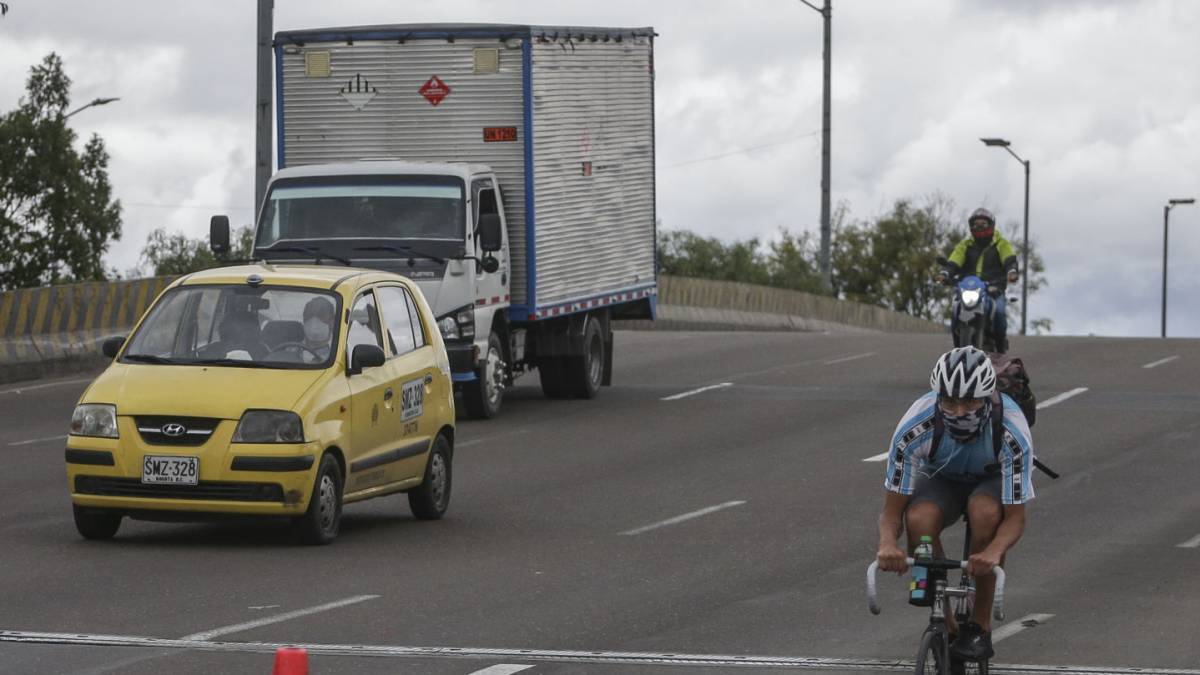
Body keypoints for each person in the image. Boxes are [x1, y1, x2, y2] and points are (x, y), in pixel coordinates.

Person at [875, 346, 1034, 661]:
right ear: (937, 398)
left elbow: (1015, 518)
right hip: (942, 477)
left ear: (987, 396)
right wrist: (887, 544)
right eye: (949, 401)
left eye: (970, 401)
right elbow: (892, 512)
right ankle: (944, 625)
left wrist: (992, 552)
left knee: (985, 513)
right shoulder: (914, 426)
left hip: (988, 481)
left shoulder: (1012, 430)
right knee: (919, 519)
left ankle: (979, 625)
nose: (959, 411)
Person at [937, 208, 1020, 352]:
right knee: (956, 308)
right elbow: (954, 261)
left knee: (999, 312)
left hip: (993, 288)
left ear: (991, 225)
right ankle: (957, 345)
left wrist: (1011, 271)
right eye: (976, 224)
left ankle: (1000, 347)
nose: (979, 227)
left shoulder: (1001, 243)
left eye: (983, 224)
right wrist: (945, 274)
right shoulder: (965, 244)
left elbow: (1009, 259)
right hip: (969, 287)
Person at [301, 296, 337, 363]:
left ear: (333, 321)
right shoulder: (290, 349)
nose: (314, 322)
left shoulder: (340, 351)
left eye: (321, 316)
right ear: (304, 319)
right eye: (309, 316)